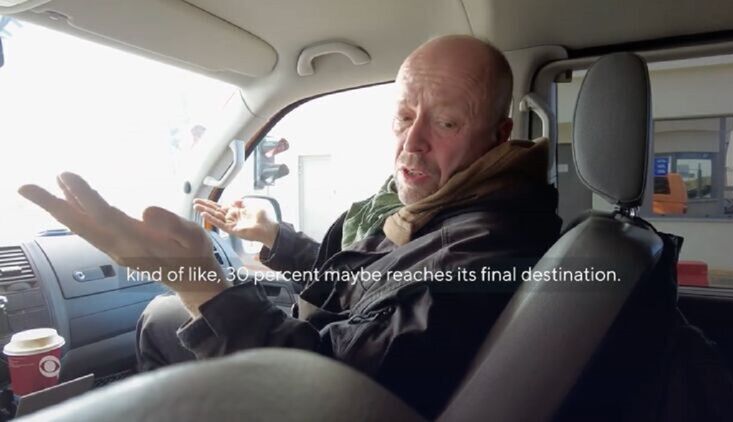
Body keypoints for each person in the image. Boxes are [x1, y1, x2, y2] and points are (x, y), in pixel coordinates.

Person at [19, 35, 561, 419]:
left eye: (445, 122)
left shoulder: (485, 248)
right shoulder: (456, 203)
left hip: (322, 388)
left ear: (498, 135)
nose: (412, 142)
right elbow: (371, 282)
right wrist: (277, 240)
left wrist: (200, 284)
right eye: (403, 116)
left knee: (163, 317)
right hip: (325, 351)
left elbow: (334, 389)